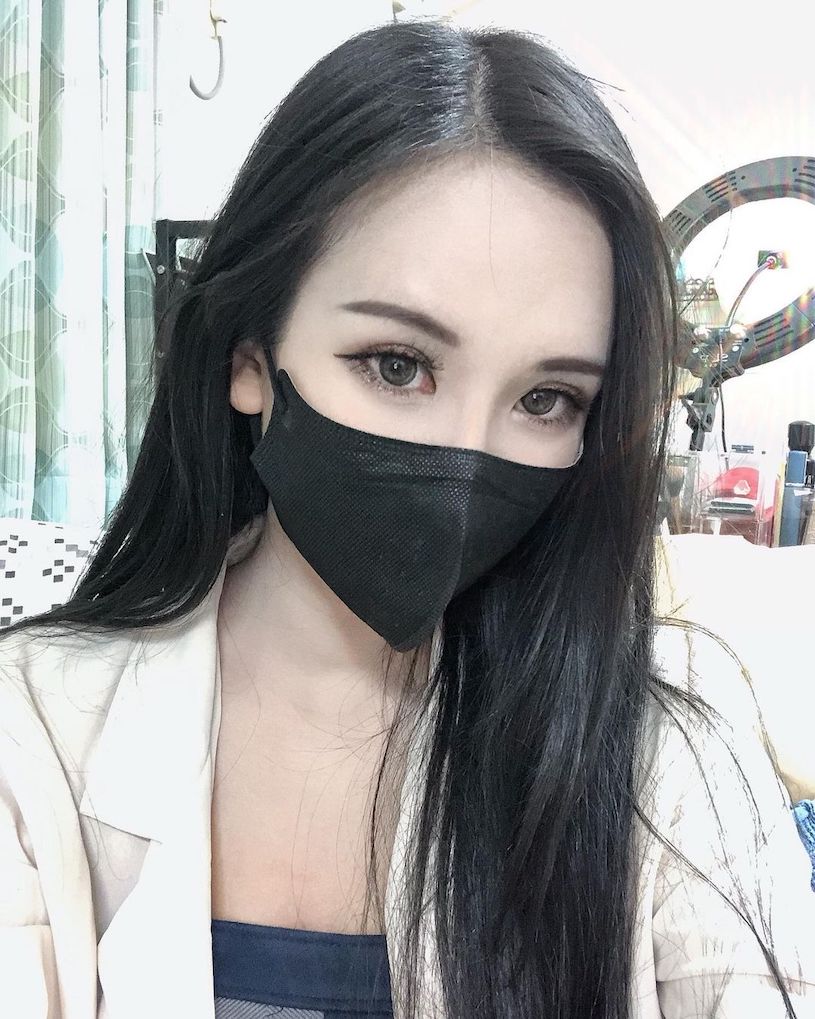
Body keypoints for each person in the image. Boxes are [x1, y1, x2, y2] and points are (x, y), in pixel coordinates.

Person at [0, 18, 813, 1019]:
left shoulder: (664, 742)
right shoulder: (32, 725)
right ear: (249, 358)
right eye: (397, 365)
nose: (462, 461)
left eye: (545, 398)